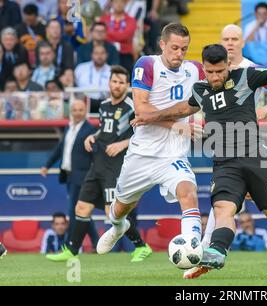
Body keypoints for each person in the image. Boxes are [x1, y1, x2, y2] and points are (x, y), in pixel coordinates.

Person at [130, 44, 267, 278]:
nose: (215, 77)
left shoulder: (246, 76)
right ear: (204, 68)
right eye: (210, 72)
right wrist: (150, 116)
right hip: (225, 163)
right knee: (223, 209)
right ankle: (217, 250)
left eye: (220, 71)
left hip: (256, 157)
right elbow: (182, 109)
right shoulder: (200, 89)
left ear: (228, 66)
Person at [95, 23, 205, 260]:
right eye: (174, 48)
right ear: (162, 44)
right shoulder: (147, 64)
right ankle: (117, 227)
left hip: (173, 155)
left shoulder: (195, 70)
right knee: (120, 208)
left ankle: (193, 248)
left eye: (184, 49)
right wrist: (178, 124)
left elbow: (221, 78)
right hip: (142, 154)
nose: (179, 54)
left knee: (188, 191)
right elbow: (142, 110)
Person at [194, 25, 267, 277]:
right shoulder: (208, 76)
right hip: (225, 155)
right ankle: (213, 251)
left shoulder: (250, 69)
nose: (229, 42)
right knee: (223, 209)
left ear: (241, 42)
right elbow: (192, 106)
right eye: (225, 38)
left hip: (254, 149)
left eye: (234, 38)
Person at [46, 65, 152, 263]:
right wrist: (92, 136)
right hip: (98, 164)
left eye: (122, 82)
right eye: (114, 81)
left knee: (112, 214)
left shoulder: (132, 107)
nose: (117, 85)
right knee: (81, 208)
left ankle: (141, 246)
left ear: (128, 85)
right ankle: (72, 250)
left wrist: (123, 143)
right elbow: (106, 130)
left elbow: (144, 135)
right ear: (109, 82)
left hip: (115, 167)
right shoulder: (103, 105)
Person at [41, 100, 98, 244]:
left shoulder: (90, 129)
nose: (77, 113)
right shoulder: (69, 127)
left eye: (80, 110)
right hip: (68, 176)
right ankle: (97, 243)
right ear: (71, 112)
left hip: (82, 177)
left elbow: (95, 154)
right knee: (81, 212)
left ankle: (69, 244)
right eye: (75, 110)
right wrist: (47, 165)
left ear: (85, 111)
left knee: (74, 212)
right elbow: (61, 148)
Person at [100, 0, 137, 72]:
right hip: (106, 53)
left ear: (125, 3)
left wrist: (107, 34)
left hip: (124, 54)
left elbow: (126, 35)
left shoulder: (131, 20)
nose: (119, 4)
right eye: (116, 2)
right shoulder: (104, 19)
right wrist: (119, 36)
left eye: (121, 2)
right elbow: (101, 34)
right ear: (111, 3)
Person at [74, 44, 111, 113]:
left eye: (102, 53)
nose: (99, 56)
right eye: (96, 53)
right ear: (91, 55)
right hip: (84, 102)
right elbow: (74, 84)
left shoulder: (112, 70)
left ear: (107, 55)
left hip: (105, 102)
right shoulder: (80, 68)